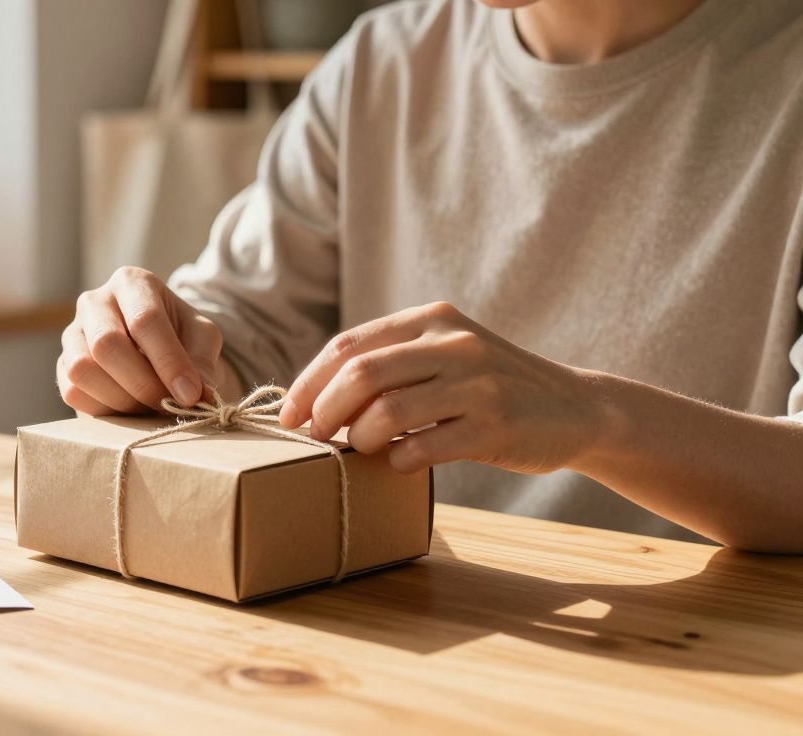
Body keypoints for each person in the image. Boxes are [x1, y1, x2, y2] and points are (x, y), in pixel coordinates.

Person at [57, 0, 803, 552]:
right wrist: (151, 344)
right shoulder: (382, 62)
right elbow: (240, 328)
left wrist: (593, 417)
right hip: (396, 627)